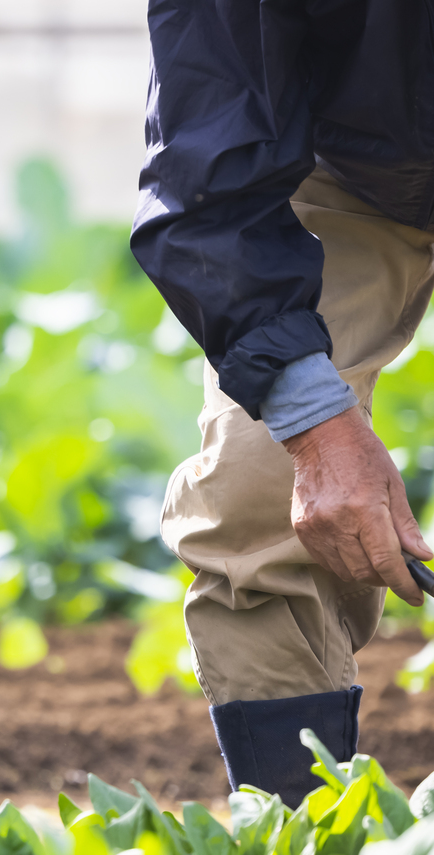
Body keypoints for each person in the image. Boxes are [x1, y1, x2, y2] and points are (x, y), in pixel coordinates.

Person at [133, 0, 434, 806]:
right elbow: (208, 159)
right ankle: (301, 848)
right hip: (352, 168)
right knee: (257, 490)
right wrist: (312, 424)